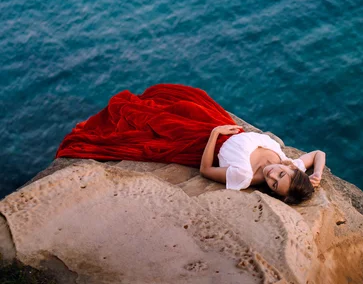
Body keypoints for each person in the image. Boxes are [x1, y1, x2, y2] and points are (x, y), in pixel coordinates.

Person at [55, 83, 325, 204]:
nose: (272, 175)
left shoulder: (244, 176)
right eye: (281, 174)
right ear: (292, 169)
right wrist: (316, 174)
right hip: (220, 123)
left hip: (207, 139)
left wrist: (214, 134)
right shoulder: (289, 162)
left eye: (274, 185)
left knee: (144, 121)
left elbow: (206, 170)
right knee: (187, 97)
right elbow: (318, 153)